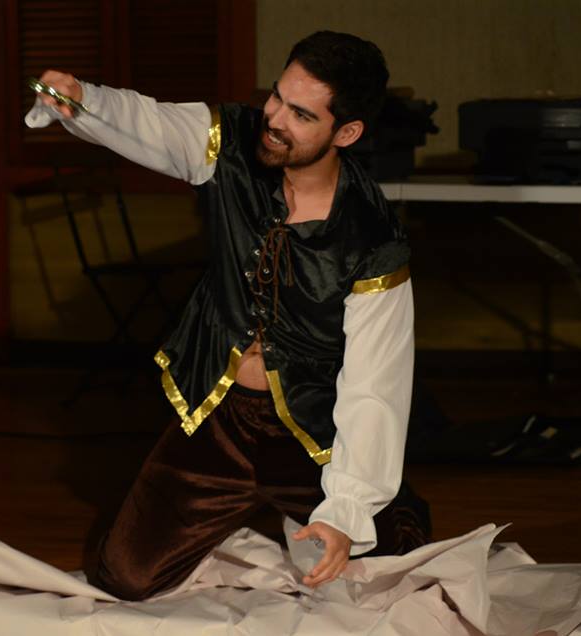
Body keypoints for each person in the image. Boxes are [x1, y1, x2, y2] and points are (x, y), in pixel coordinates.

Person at [27, 31, 431, 601]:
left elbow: (375, 386)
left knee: (391, 572)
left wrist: (345, 511)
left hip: (311, 434)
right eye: (277, 96)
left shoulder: (373, 238)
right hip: (220, 418)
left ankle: (390, 508)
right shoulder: (232, 141)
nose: (275, 119)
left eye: (300, 114)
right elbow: (153, 123)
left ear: (347, 133)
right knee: (126, 578)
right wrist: (84, 99)